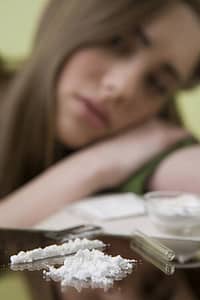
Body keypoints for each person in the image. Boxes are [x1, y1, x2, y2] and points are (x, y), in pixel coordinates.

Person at [0, 0, 199, 228]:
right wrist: (96, 165)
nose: (121, 87)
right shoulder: (127, 150)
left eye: (157, 83)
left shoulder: (150, 140)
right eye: (116, 42)